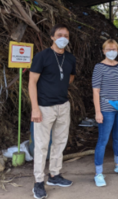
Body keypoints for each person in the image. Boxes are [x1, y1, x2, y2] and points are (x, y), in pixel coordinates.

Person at [29, 24, 76, 199]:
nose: (63, 37)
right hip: (44, 107)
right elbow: (32, 82)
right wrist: (35, 108)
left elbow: (70, 77)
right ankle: (39, 182)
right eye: (59, 34)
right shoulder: (42, 56)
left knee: (60, 142)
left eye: (66, 35)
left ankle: (54, 175)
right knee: (41, 145)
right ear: (52, 37)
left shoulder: (70, 58)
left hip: (63, 106)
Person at [92, 39, 118, 187]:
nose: (111, 51)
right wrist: (98, 112)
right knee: (103, 140)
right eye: (108, 49)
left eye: (114, 49)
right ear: (103, 51)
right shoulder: (99, 67)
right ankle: (98, 173)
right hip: (106, 108)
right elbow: (96, 91)